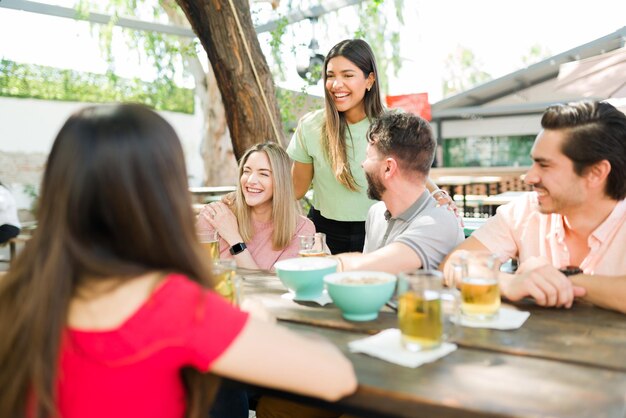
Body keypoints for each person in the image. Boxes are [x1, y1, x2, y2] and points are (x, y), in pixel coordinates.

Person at [0, 104, 357, 418]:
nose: (251, 180)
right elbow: (336, 376)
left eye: (263, 173)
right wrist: (255, 318)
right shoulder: (178, 308)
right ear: (162, 191)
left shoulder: (14, 293)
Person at [442, 100, 626, 314]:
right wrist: (508, 283)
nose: (529, 177)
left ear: (596, 173)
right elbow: (452, 264)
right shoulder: (524, 212)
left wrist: (562, 280)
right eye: (533, 163)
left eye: (544, 165)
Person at [288, 39, 452, 254]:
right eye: (330, 76)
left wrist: (437, 194)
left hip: (384, 230)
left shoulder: (396, 123)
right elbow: (294, 189)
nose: (336, 84)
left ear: (369, 80)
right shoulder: (310, 126)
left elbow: (411, 171)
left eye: (347, 75)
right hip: (324, 233)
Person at [334, 111, 464, 274]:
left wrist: (311, 264)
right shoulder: (376, 213)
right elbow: (366, 280)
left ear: (389, 168)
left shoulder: (439, 222)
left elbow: (365, 269)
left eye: (368, 157)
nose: (363, 164)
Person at [196, 142, 315, 271]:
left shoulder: (301, 229)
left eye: (263, 174)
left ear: (281, 182)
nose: (251, 180)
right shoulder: (214, 215)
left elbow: (274, 286)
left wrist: (234, 238)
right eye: (246, 171)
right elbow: (194, 273)